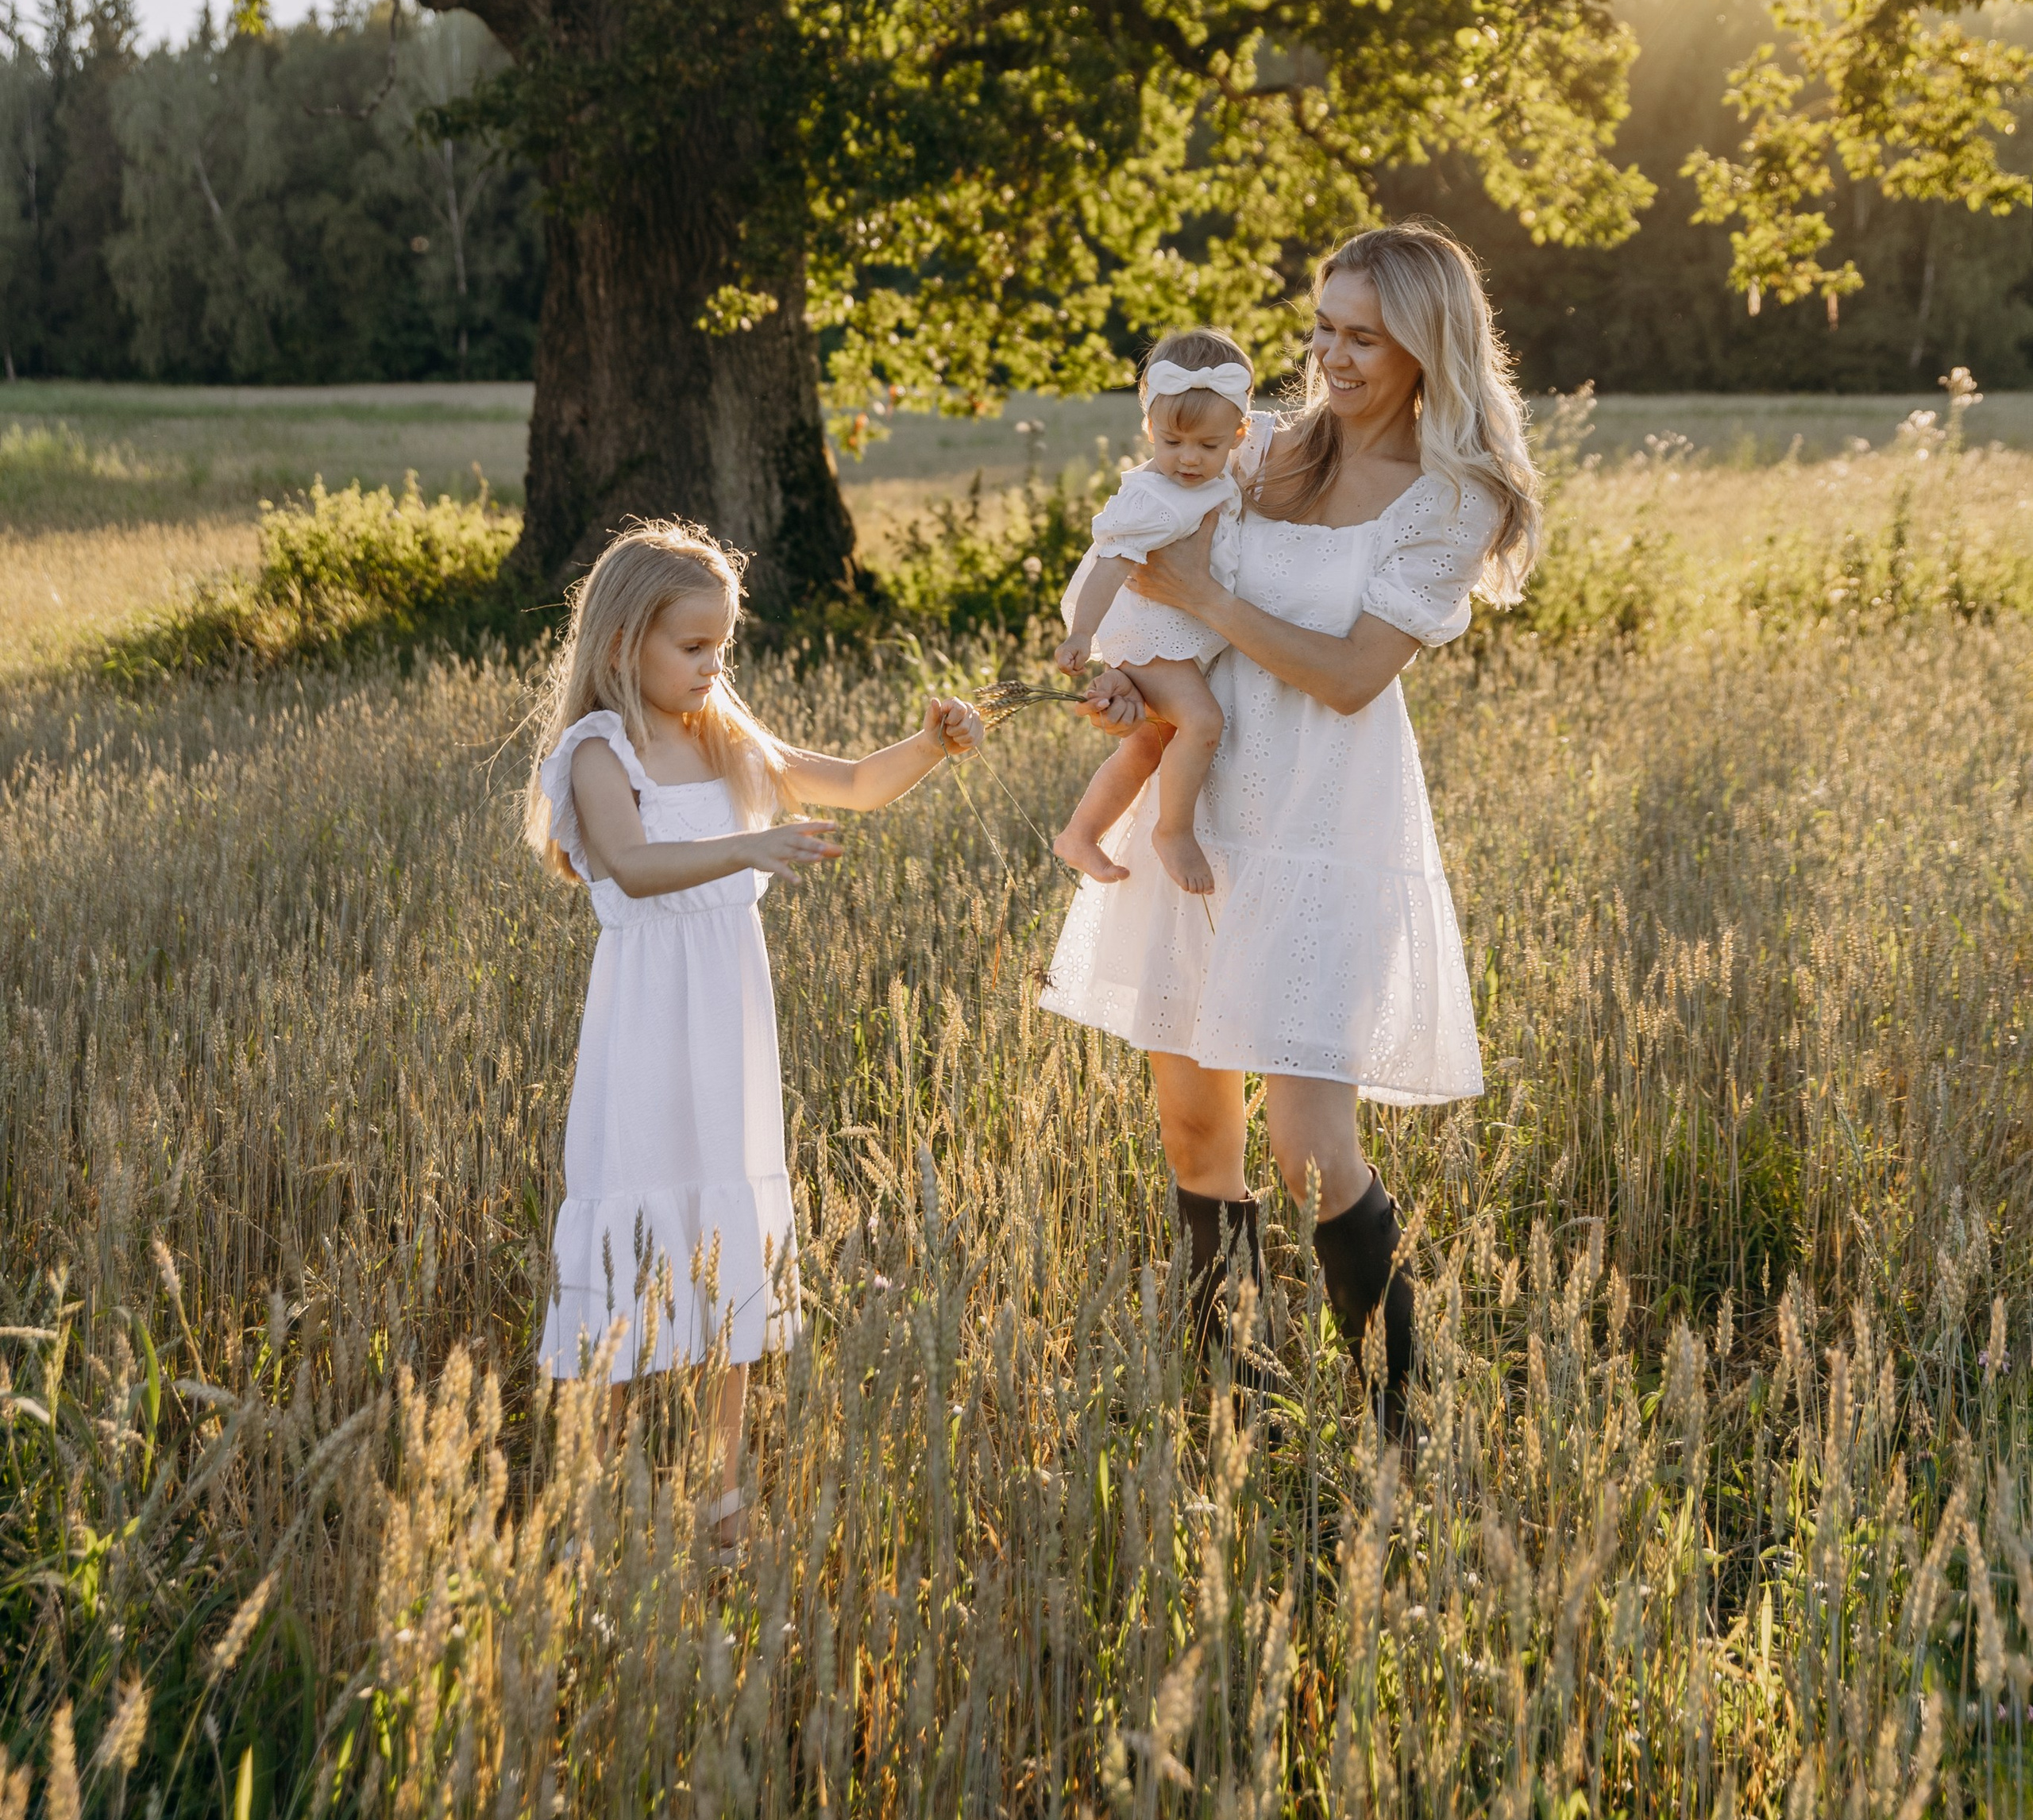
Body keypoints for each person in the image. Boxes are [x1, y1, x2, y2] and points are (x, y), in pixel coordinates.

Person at [1042, 223, 1539, 1438]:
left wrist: (1209, 598)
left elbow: (1353, 674)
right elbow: (1145, 584)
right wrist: (1133, 675)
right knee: (1192, 1116)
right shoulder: (1253, 452)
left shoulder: (1451, 496)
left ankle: (1393, 1416)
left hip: (1326, 816)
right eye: (1323, 326)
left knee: (1309, 1139)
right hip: (1200, 808)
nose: (1332, 354)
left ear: (1429, 344)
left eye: (1362, 335)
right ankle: (1232, 1395)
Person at [525, 519, 982, 1545]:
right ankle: (597, 1497)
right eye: (693, 647)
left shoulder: (724, 732)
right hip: (647, 1022)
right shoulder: (599, 750)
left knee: (724, 1239)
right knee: (636, 1238)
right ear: (621, 644)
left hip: (728, 1019)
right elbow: (634, 865)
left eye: (722, 647)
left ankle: (720, 1495)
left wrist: (933, 744)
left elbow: (856, 784)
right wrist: (754, 843)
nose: (712, 666)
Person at [1052, 330, 1255, 898]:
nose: (1188, 459)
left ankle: (1080, 833)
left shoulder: (1216, 477)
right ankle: (1173, 830)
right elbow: (1110, 565)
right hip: (1151, 633)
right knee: (1203, 723)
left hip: (1174, 633)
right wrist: (1082, 633)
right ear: (1149, 429)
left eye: (1208, 447)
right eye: (1172, 442)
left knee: (1146, 744)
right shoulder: (1153, 496)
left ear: (1238, 434)